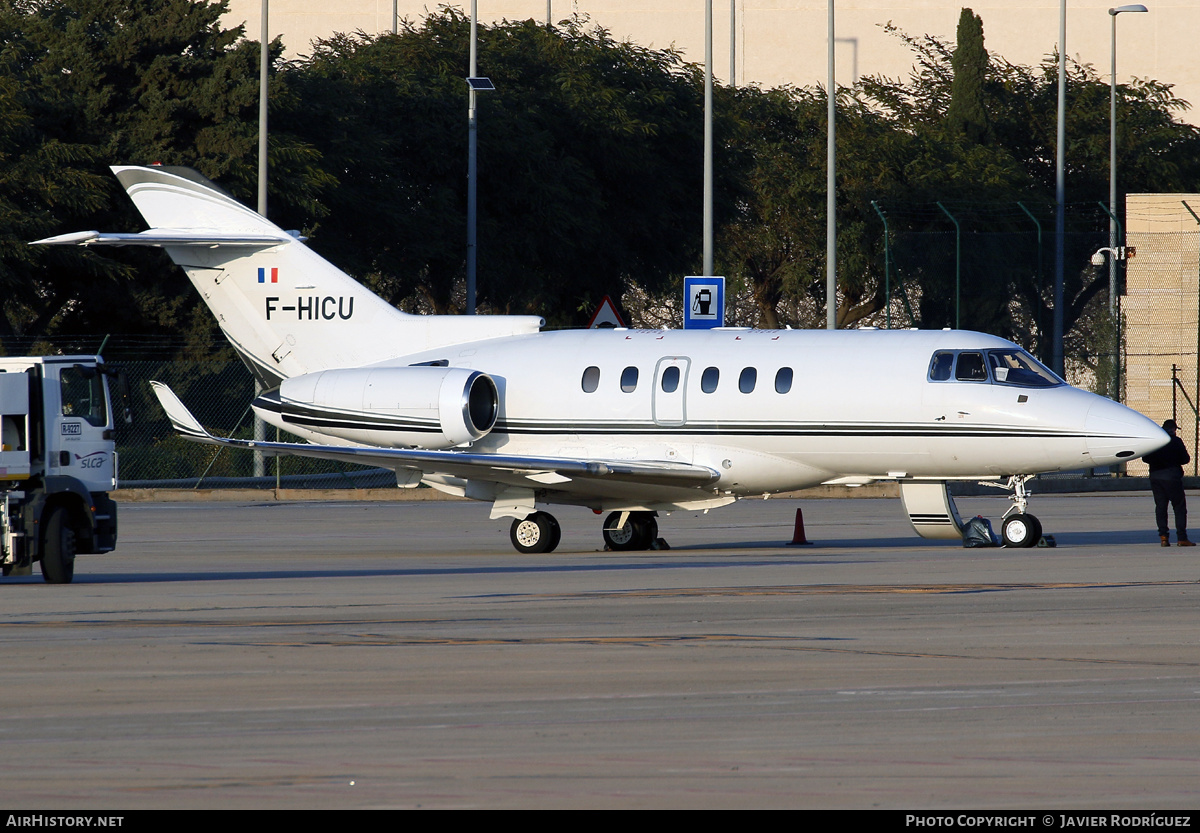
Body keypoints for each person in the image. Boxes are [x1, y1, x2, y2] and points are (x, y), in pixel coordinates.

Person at [1144, 419, 1193, 547]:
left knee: (1161, 507)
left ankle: (1163, 537)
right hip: (1172, 478)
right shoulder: (1176, 441)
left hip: (1156, 477)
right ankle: (1182, 538)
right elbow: (1185, 459)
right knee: (1179, 508)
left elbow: (1145, 458)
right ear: (1173, 429)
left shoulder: (1155, 441)